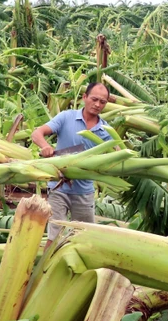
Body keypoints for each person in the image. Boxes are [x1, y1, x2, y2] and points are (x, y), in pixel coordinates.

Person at [30, 82, 113, 247]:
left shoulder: (106, 131)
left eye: (102, 102)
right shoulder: (66, 117)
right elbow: (37, 133)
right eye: (94, 99)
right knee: (55, 235)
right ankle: (46, 270)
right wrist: (45, 146)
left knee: (84, 238)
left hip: (84, 191)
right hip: (58, 188)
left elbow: (114, 155)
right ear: (84, 97)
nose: (97, 105)